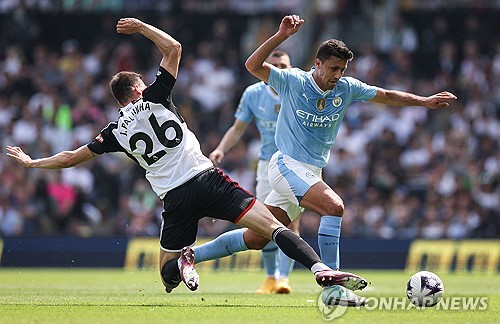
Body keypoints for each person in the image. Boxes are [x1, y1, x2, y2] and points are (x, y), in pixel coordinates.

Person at [5, 17, 368, 299]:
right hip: (209, 179)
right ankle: (320, 268)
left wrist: (32, 162)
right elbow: (174, 47)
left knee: (167, 277)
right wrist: (140, 28)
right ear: (137, 88)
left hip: (175, 198)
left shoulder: (114, 131)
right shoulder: (157, 95)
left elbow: (71, 157)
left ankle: (184, 260)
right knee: (275, 228)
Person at [191, 14, 457, 304]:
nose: (337, 75)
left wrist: (425, 101)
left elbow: (386, 95)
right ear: (316, 64)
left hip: (311, 171)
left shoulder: (346, 87)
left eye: (342, 69)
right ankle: (334, 288)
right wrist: (281, 36)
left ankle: (191, 254)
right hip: (284, 165)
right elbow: (252, 66)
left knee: (258, 238)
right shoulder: (292, 80)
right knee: (334, 206)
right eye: (332, 68)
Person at [209, 49, 300, 294]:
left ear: (291, 69)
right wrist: (220, 149)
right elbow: (238, 128)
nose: (280, 70)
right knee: (263, 223)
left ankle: (284, 278)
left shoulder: (298, 89)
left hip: (296, 164)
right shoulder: (253, 94)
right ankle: (270, 278)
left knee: (290, 222)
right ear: (264, 70)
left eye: (284, 66)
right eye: (275, 66)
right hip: (266, 165)